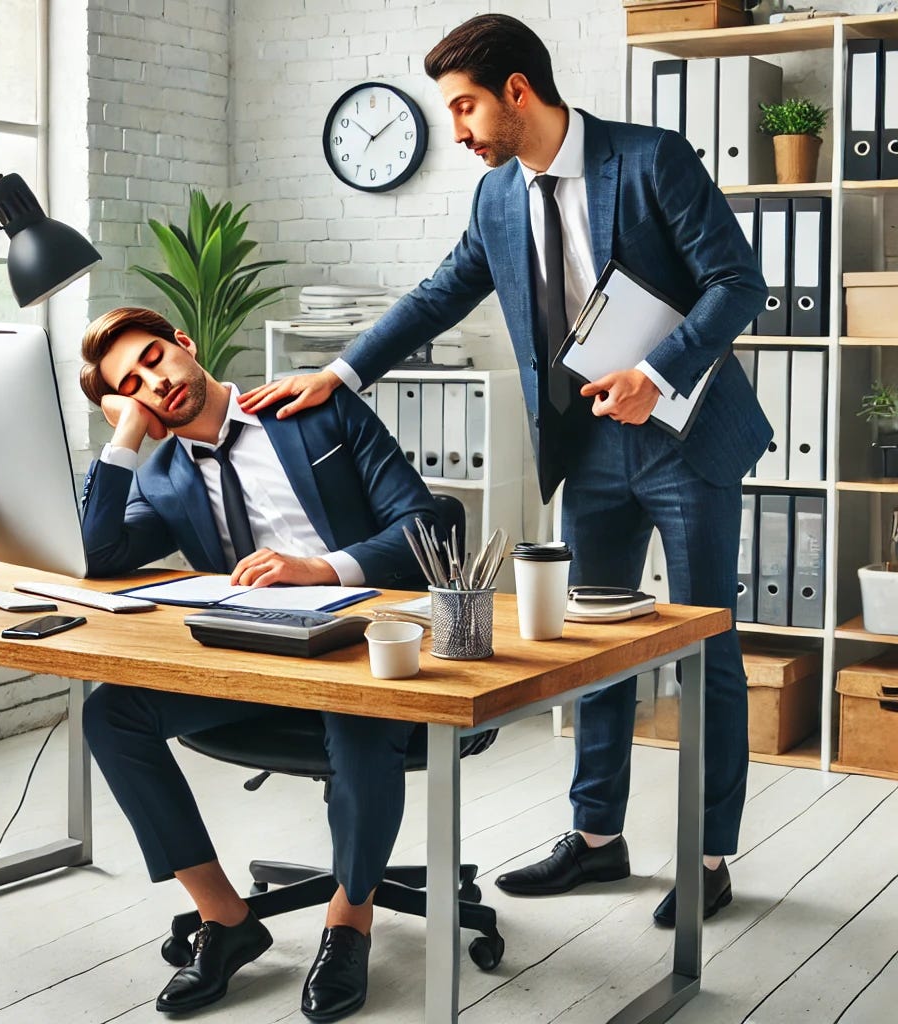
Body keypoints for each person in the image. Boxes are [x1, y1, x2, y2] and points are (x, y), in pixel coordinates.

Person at [240, 13, 771, 927]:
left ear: (517, 91)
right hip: (589, 445)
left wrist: (655, 373)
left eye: (465, 108)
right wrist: (339, 369)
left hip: (685, 436)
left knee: (703, 649)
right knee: (587, 650)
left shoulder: (651, 160)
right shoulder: (495, 199)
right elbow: (442, 291)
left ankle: (708, 853)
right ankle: (597, 839)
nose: (459, 131)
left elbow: (737, 283)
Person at [78, 306, 439, 1021]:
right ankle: (226, 919)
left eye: (155, 358)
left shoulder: (314, 412)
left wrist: (319, 569)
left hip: (364, 640)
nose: (156, 383)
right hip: (261, 663)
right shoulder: (161, 478)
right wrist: (123, 436)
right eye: (133, 384)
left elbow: (425, 523)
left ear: (187, 344)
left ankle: (349, 918)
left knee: (360, 715)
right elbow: (98, 554)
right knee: (111, 712)